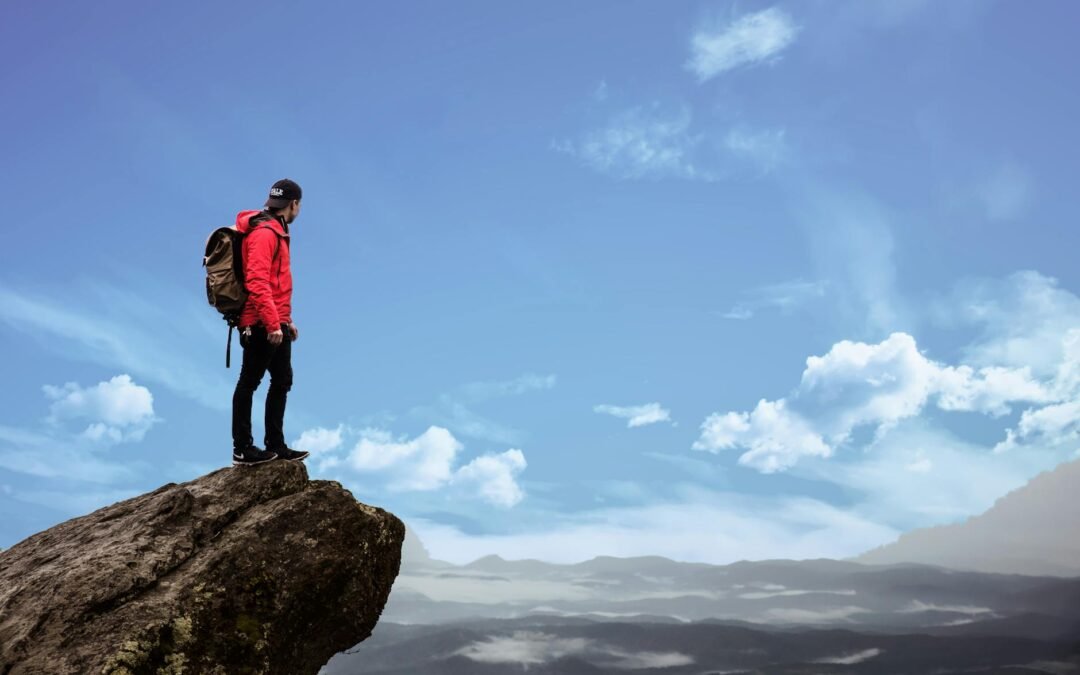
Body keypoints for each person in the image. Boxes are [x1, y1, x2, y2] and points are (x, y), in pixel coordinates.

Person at [231, 179, 311, 466]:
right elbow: (257, 281)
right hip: (259, 321)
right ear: (295, 204)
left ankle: (275, 445)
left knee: (282, 381)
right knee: (249, 382)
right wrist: (272, 323)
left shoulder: (278, 230)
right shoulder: (265, 233)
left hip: (276, 320)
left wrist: (286, 321)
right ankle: (242, 449)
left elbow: (277, 284)